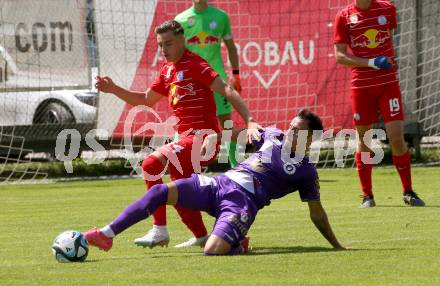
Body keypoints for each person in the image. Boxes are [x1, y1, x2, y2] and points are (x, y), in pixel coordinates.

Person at [83, 109, 345, 255]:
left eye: (298, 131)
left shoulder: (306, 171)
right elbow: (241, 134)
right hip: (220, 184)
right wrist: (216, 135)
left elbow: (317, 213)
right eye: (291, 126)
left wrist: (336, 246)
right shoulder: (274, 135)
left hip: (241, 204)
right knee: (161, 191)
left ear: (311, 139)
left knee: (212, 251)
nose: (290, 132)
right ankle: (106, 234)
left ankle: (237, 244)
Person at [94, 20, 261, 249]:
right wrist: (113, 89)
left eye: (169, 44)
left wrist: (250, 120)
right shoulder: (168, 70)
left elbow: (226, 89)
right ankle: (206, 236)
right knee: (180, 190)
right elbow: (145, 100)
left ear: (182, 40)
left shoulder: (195, 63)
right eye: (161, 45)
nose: (164, 50)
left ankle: (159, 229)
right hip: (186, 140)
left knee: (150, 165)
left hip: (203, 139)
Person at [334, 0, 425, 207]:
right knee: (364, 140)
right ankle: (368, 195)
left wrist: (383, 62)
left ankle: (408, 191)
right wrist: (371, 63)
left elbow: (388, 36)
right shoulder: (344, 16)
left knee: (396, 137)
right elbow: (340, 56)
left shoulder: (387, 9)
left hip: (388, 84)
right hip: (361, 87)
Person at [175, 0, 241, 169]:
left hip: (217, 79)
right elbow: (177, 54)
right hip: (192, 83)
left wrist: (236, 74)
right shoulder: (180, 20)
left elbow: (231, 48)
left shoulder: (221, 17)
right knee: (187, 122)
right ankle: (182, 166)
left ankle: (237, 167)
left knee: (226, 121)